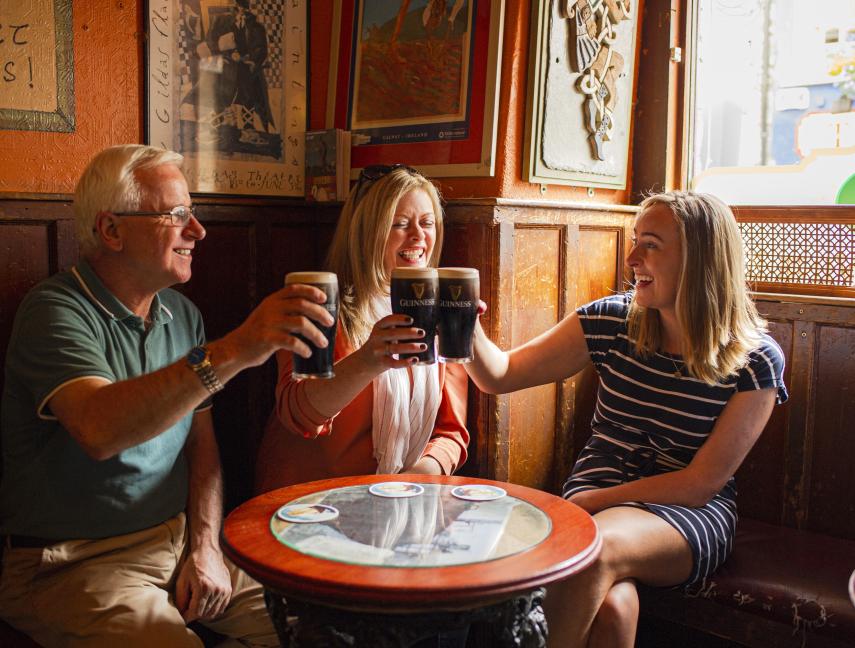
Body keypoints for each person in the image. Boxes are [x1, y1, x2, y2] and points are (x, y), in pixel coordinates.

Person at [0, 144, 334, 647]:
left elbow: (201, 447)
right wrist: (240, 348)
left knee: (326, 625)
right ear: (111, 230)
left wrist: (205, 546)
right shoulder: (54, 310)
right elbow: (100, 429)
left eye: (192, 214)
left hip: (177, 542)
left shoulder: (182, 313)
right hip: (71, 563)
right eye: (176, 215)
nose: (197, 231)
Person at [462, 191, 788, 647]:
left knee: (597, 550)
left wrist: (588, 506)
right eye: (635, 240)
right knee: (614, 609)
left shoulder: (756, 361)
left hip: (687, 511)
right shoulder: (611, 321)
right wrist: (462, 322)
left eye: (650, 244)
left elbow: (699, 483)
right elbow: (499, 375)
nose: (632, 257)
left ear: (700, 259)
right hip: (597, 493)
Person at [255, 164, 469, 493]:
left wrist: (413, 483)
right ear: (366, 232)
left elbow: (450, 433)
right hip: (311, 505)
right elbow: (298, 415)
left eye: (427, 223)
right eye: (399, 224)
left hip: (400, 504)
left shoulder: (445, 311)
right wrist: (369, 359)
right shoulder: (317, 303)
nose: (417, 236)